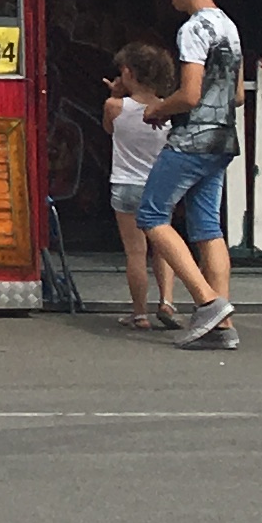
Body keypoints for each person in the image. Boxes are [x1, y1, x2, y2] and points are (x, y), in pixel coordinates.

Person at [139, 0, 244, 348]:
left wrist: (158, 109)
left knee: (152, 215)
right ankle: (222, 326)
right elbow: (236, 95)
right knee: (207, 228)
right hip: (222, 138)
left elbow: (189, 94)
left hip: (191, 140)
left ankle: (207, 302)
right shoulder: (229, 26)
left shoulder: (193, 29)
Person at [104, 41, 190, 330]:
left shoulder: (114, 107)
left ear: (128, 72)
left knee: (135, 253)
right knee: (162, 248)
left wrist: (116, 94)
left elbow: (108, 129)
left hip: (125, 184)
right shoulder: (167, 110)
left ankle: (139, 313)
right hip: (159, 185)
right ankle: (167, 302)